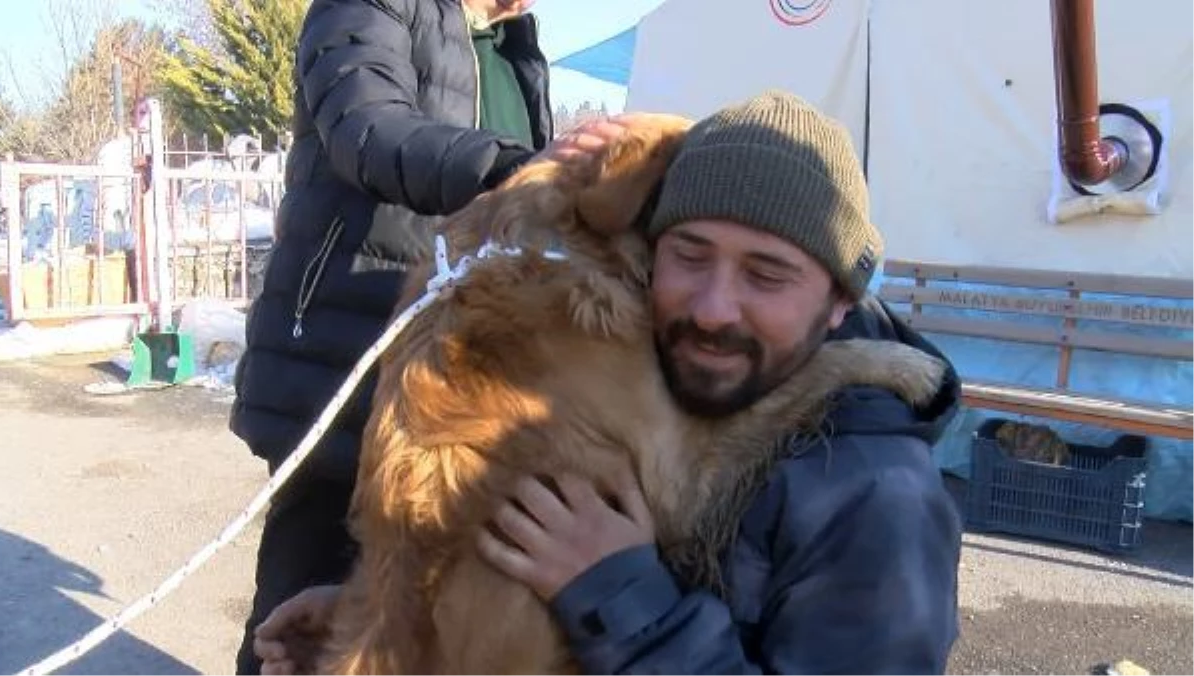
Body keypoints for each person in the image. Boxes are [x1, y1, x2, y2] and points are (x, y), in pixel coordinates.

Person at [253, 91, 965, 674]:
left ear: (843, 300)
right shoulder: (669, 376)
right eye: (684, 255)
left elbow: (633, 542)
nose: (714, 308)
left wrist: (620, 593)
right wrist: (378, 617)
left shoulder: (878, 499)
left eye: (767, 275)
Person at [225, 0, 594, 673]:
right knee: (300, 628)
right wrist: (519, 173)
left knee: (413, 621)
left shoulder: (516, 47)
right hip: (343, 358)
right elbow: (368, 127)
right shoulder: (368, 7)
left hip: (453, 380)